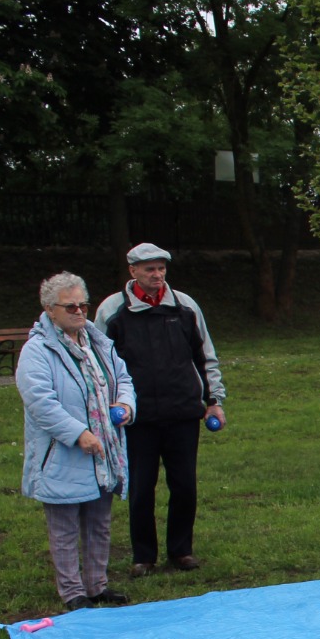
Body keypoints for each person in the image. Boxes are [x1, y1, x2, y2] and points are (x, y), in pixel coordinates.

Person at [95, 243, 224, 577]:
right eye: (150, 269)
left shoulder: (184, 306)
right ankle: (144, 556)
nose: (157, 275)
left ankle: (181, 551)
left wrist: (214, 401)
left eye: (161, 268)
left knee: (184, 485)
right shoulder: (113, 310)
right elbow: (100, 365)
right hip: (137, 417)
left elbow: (205, 356)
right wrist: (109, 407)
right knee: (141, 488)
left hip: (183, 411)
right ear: (133, 271)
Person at [16, 272, 136, 610]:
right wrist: (77, 433)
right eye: (70, 306)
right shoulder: (37, 351)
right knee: (64, 528)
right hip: (62, 453)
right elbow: (40, 402)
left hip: (104, 448)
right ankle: (72, 592)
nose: (80, 311)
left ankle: (97, 585)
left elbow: (123, 378)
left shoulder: (97, 342)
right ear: (49, 309)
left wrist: (126, 405)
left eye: (83, 304)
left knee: (100, 523)